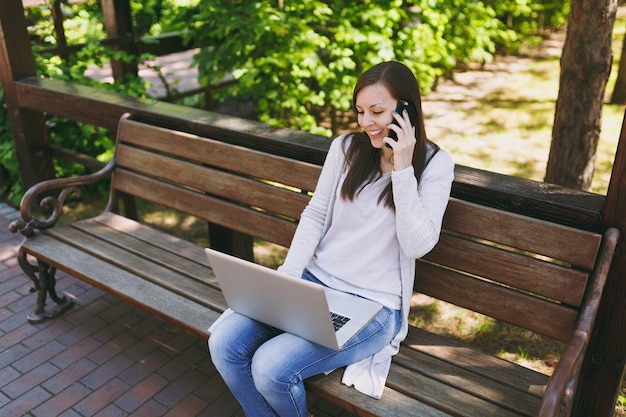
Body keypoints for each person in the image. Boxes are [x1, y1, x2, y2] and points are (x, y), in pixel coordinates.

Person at [208, 61, 455, 417]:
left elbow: (417, 245)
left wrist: (402, 169)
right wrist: (287, 278)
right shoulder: (346, 149)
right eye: (360, 111)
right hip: (314, 285)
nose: (366, 122)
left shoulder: (434, 165)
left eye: (377, 111)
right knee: (224, 343)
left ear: (406, 110)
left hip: (373, 307)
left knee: (270, 368)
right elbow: (315, 215)